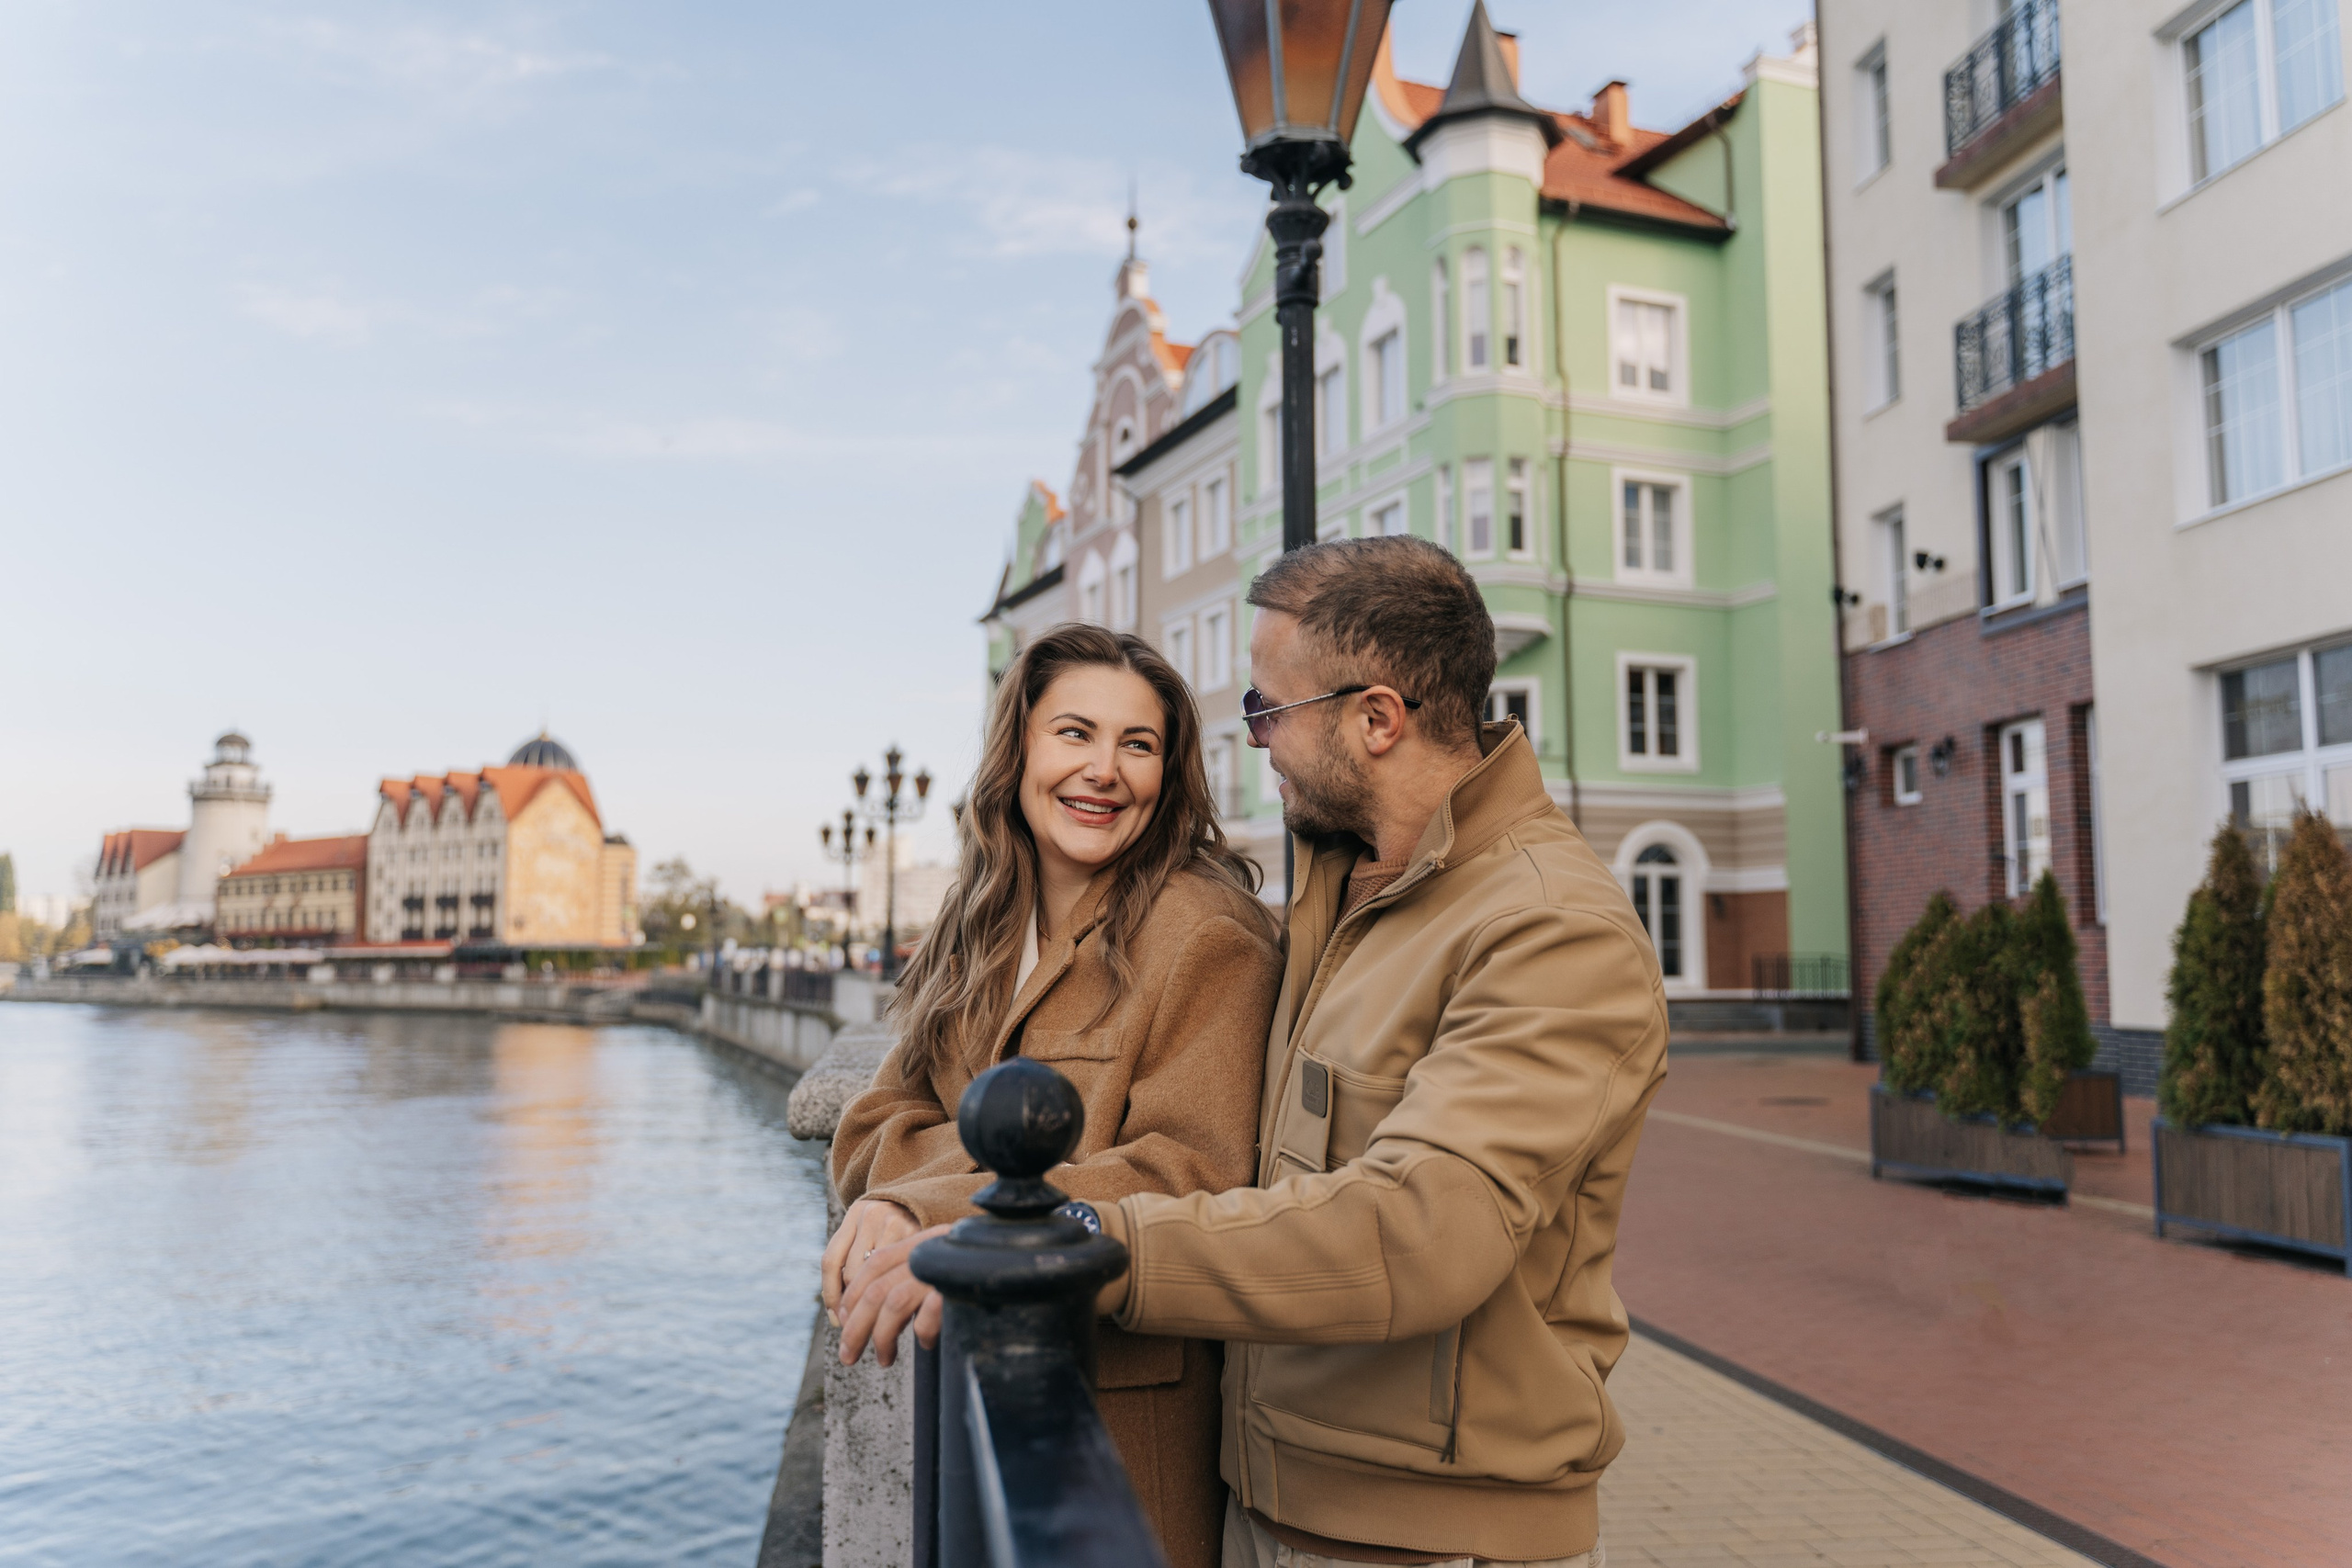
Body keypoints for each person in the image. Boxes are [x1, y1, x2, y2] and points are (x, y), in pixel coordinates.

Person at [860, 537, 1668, 1565]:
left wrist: (1065, 1237)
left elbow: (1418, 1233)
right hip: (1274, 1495)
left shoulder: (1551, 925)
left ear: (1375, 718)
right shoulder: (1349, 889)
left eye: (1268, 709)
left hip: (1425, 1531)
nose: (1254, 740)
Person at [824, 622, 1283, 1568]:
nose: (1103, 770)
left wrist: (925, 1202)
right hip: (969, 1388)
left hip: (1116, 1423)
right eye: (1075, 733)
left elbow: (1186, 1172)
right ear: (1020, 749)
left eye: (1137, 744)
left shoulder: (1206, 934)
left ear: (1168, 773)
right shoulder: (980, 917)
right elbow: (872, 1122)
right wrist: (914, 1193)